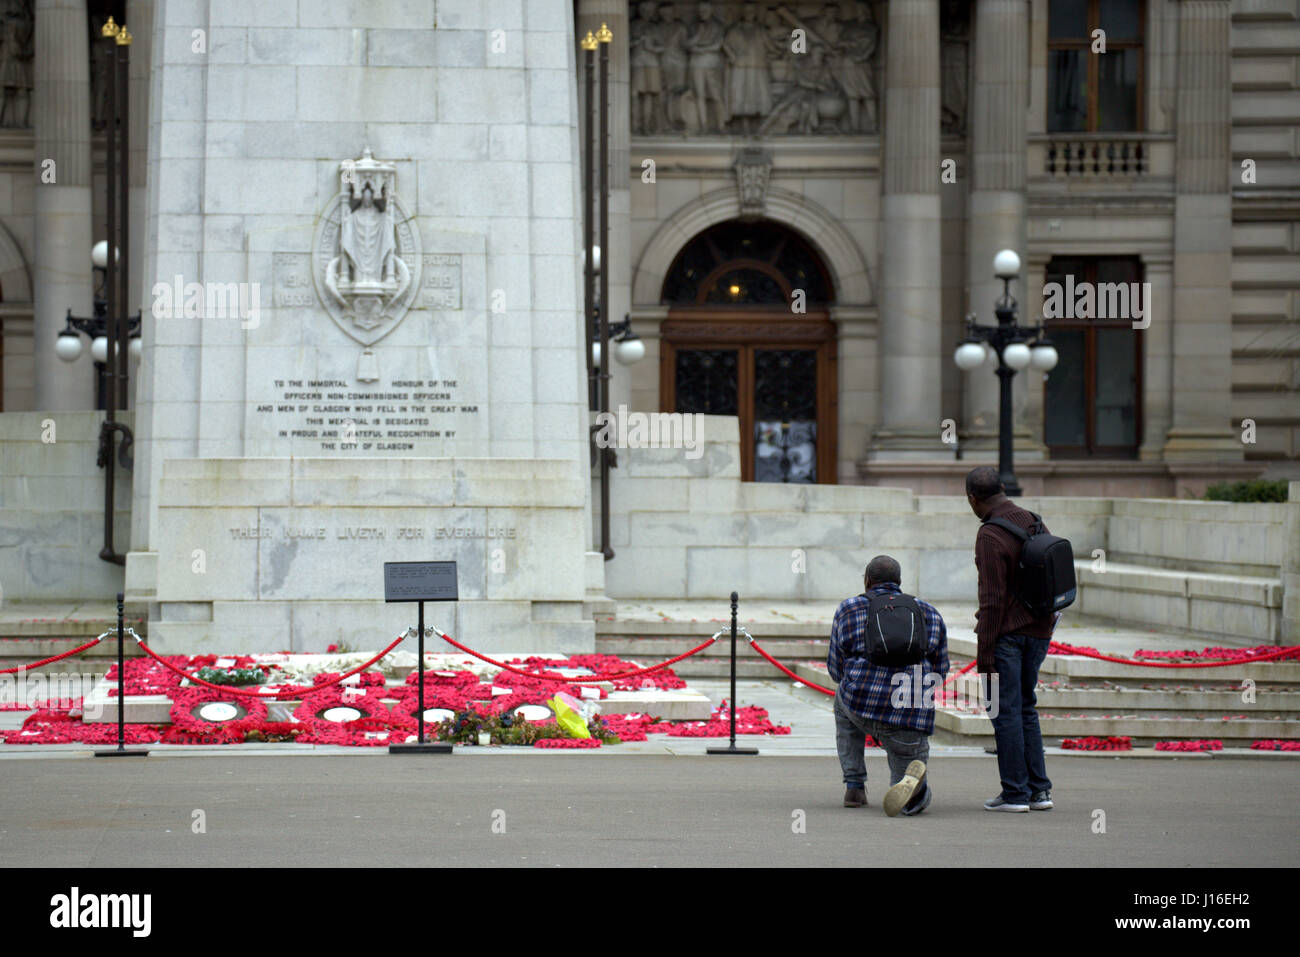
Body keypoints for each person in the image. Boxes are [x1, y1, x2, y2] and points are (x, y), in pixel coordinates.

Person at [828, 555, 949, 817]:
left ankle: (854, 786)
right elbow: (940, 671)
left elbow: (836, 670)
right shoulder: (928, 612)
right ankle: (912, 787)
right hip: (910, 711)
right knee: (909, 770)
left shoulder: (848, 609)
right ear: (900, 582)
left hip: (861, 705)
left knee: (841, 697)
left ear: (867, 581)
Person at [966, 466, 1055, 813]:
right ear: (1003, 488)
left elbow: (992, 600)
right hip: (1039, 631)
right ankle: (1039, 792)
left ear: (973, 499)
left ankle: (1015, 793)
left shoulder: (989, 535)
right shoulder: (1033, 521)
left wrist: (984, 653)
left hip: (1007, 637)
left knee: (1003, 711)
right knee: (1025, 708)